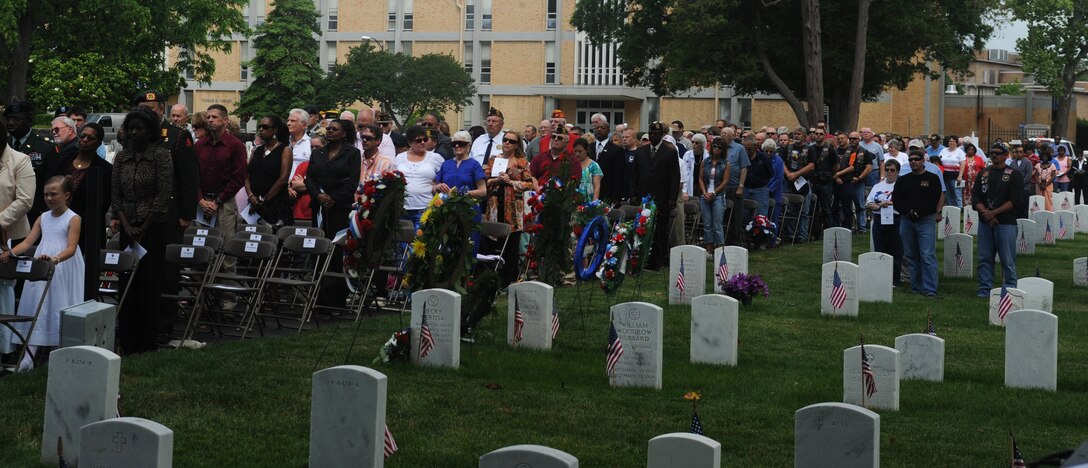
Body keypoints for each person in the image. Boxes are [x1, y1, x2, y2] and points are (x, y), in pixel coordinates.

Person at [2, 175, 84, 370]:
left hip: (63, 263)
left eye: (53, 194)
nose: (49, 198)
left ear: (66, 195)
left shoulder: (73, 218)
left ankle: (59, 351)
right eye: (46, 194)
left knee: (58, 302)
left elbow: (71, 247)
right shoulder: (43, 217)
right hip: (42, 260)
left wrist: (54, 260)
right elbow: (29, 241)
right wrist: (9, 253)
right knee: (38, 301)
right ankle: (30, 355)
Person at [111, 108, 174, 353]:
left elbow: (163, 193)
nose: (135, 133)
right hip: (129, 227)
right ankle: (127, 340)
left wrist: (144, 226)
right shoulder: (122, 158)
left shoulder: (160, 156)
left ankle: (147, 343)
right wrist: (126, 225)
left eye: (140, 129)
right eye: (131, 128)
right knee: (128, 283)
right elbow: (116, 194)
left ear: (150, 132)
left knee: (148, 284)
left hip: (152, 228)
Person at [306, 119, 361, 309]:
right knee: (320, 250)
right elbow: (309, 178)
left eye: (334, 129)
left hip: (339, 208)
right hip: (319, 208)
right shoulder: (318, 153)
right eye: (328, 129)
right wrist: (319, 195)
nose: (329, 131)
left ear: (344, 133)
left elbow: (352, 182)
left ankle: (337, 300)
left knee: (337, 253)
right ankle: (320, 298)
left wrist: (333, 198)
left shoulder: (352, 154)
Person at [0, 121, 35, 356]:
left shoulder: (19, 160)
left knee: (3, 292)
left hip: (10, 236)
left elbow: (24, 200)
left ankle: (4, 347)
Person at [482, 131, 533, 287]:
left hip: (513, 206)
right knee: (492, 242)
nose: (507, 143)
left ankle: (509, 280)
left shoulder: (522, 162)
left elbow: (528, 184)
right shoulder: (493, 160)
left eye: (511, 141)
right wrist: (498, 179)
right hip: (495, 205)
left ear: (517, 144)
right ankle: (489, 279)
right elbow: (485, 180)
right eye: (505, 140)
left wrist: (510, 182)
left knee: (511, 245)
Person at [973, 144, 1023, 298]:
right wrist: (986, 213)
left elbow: (1015, 201)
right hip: (985, 222)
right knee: (984, 258)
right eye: (992, 153)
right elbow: (976, 198)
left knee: (1007, 260)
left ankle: (1009, 290)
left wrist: (994, 213)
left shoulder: (1014, 174)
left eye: (998, 153)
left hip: (1006, 223)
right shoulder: (983, 174)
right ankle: (984, 289)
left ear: (1006, 155)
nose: (994, 155)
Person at [893, 149, 944, 298]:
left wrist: (919, 212)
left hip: (925, 220)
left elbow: (933, 199)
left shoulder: (932, 178)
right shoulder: (903, 179)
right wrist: (908, 211)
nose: (913, 162)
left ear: (923, 161)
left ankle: (930, 289)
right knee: (911, 256)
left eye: (916, 159)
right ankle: (916, 287)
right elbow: (897, 199)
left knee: (927, 255)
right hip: (907, 220)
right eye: (911, 159)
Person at [55, 122, 112, 255]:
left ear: (98, 143)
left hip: (87, 228)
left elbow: (102, 203)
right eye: (83, 136)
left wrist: (75, 222)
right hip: (58, 223)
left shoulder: (105, 169)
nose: (85, 140)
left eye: (90, 138)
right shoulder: (63, 160)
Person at [633, 122, 680, 270]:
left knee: (660, 230)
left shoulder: (670, 152)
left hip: (662, 197)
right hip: (644, 197)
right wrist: (633, 194)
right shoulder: (640, 152)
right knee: (643, 228)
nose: (653, 136)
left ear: (661, 136)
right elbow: (634, 175)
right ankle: (643, 259)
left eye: (656, 134)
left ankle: (658, 261)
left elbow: (674, 176)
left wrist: (672, 197)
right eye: (651, 133)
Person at [5, 102, 56, 224]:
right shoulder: (3, 145)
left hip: (33, 215)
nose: (11, 123)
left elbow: (51, 182)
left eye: (16, 119)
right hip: (4, 212)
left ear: (29, 120)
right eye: (8, 119)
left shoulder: (45, 147)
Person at [245, 116, 294, 226]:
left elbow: (283, 179)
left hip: (275, 203)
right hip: (254, 203)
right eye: (260, 127)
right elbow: (247, 175)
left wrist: (264, 199)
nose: (261, 129)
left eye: (265, 127)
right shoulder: (257, 150)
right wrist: (251, 196)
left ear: (275, 129)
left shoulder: (285, 150)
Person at [394, 125, 444, 226]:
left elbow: (445, 177)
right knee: (402, 240)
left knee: (421, 240)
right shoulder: (399, 158)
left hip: (425, 207)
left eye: (425, 139)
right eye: (418, 140)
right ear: (409, 142)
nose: (422, 142)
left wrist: (436, 186)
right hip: (403, 208)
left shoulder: (435, 158)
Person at [866, 159, 901, 287]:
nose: (889, 172)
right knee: (880, 248)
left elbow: (904, 203)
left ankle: (895, 279)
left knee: (895, 249)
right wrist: (879, 206)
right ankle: (880, 277)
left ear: (897, 171)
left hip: (895, 219)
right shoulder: (878, 186)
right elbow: (869, 202)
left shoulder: (901, 185)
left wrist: (891, 203)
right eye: (887, 169)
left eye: (892, 170)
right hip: (879, 218)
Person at [698, 138, 730, 251]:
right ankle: (709, 250)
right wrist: (705, 193)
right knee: (707, 224)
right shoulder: (705, 162)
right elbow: (700, 179)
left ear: (723, 150)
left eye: (719, 147)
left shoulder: (725, 164)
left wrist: (714, 193)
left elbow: (725, 182)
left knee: (717, 225)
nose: (716, 149)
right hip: (705, 195)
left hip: (718, 196)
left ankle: (720, 249)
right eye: (715, 146)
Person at [720, 127, 749, 245]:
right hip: (721, 187)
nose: (723, 135)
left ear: (732, 135)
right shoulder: (719, 148)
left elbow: (744, 168)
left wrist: (741, 186)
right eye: (722, 133)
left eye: (726, 133)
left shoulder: (739, 149)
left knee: (735, 217)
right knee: (722, 216)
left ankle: (734, 242)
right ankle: (723, 240)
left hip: (734, 187)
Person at [938, 136, 966, 208]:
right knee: (947, 195)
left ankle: (960, 212)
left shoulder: (960, 152)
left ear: (956, 143)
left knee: (957, 195)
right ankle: (950, 212)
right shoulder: (944, 151)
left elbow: (963, 164)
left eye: (953, 141)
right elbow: (939, 161)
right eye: (950, 141)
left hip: (955, 176)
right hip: (945, 176)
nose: (951, 143)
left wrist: (960, 176)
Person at [286, 108, 313, 175]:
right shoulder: (283, 142)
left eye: (293, 121)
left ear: (304, 125)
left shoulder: (310, 144)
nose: (288, 123)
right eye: (288, 120)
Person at [959, 143, 986, 207]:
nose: (970, 150)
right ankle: (966, 207)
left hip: (975, 180)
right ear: (966, 150)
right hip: (966, 180)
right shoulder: (963, 158)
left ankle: (975, 206)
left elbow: (983, 168)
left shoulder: (979, 158)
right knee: (965, 193)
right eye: (969, 149)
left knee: (975, 193)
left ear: (974, 151)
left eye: (972, 149)